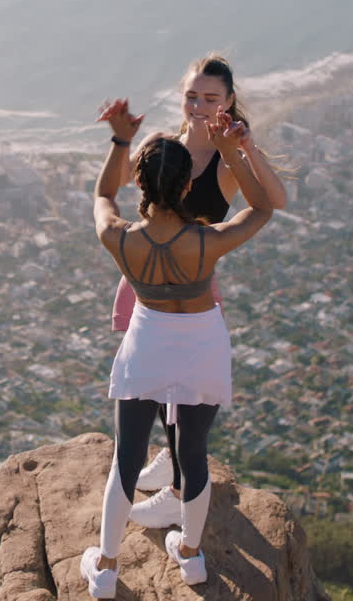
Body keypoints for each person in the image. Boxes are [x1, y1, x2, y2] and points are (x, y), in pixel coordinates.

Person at [79, 110, 273, 596]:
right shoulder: (206, 241)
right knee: (193, 452)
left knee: (127, 456)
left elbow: (102, 195)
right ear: (187, 186)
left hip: (147, 342)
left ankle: (104, 568)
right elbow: (262, 208)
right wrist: (232, 153)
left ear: (140, 186)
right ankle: (190, 557)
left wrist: (120, 141)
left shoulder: (121, 240)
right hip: (202, 345)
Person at [101, 55, 288, 530]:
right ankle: (171, 460)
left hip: (195, 284)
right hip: (145, 280)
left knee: (184, 381)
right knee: (153, 377)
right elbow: (124, 179)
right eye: (192, 96)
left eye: (211, 98)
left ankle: (179, 487)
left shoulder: (225, 158)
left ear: (229, 102)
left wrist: (241, 149)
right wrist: (123, 140)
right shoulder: (163, 145)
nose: (199, 106)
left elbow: (274, 200)